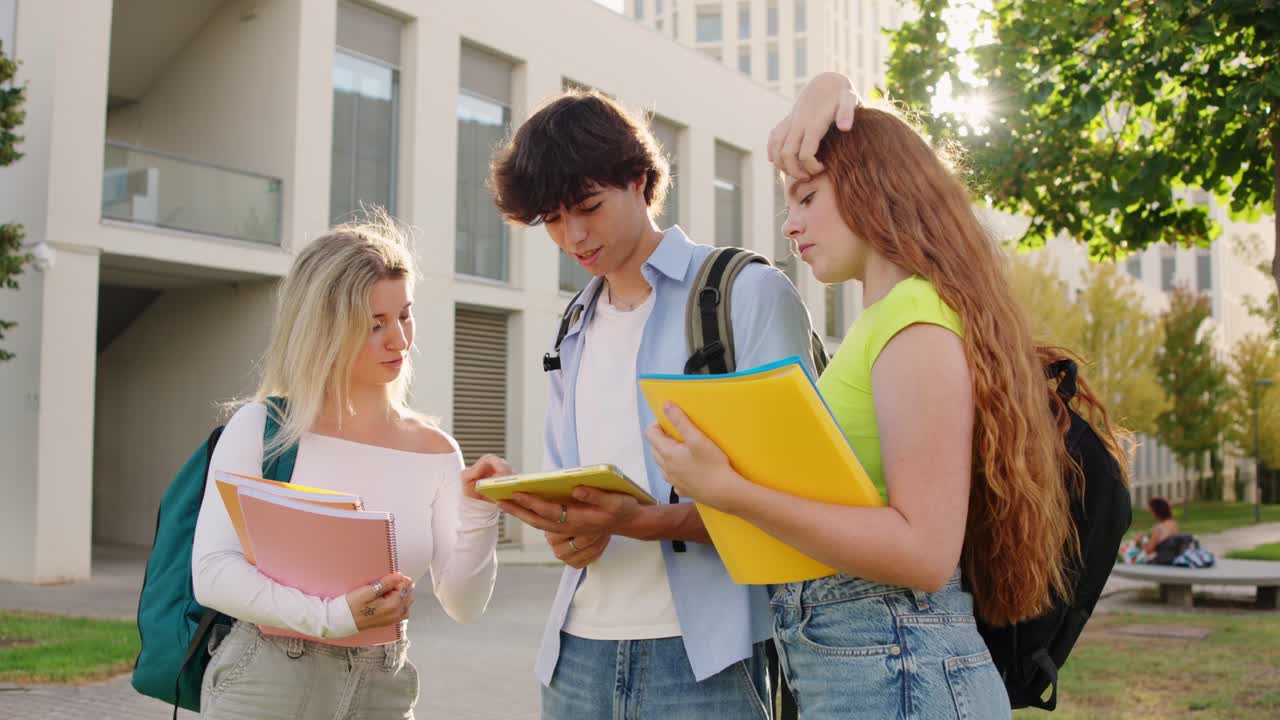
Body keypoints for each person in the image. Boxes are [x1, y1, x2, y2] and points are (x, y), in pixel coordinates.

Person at [647, 72, 1125, 719]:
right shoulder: (891, 319)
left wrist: (730, 489)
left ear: (873, 185)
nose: (790, 225)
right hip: (878, 671)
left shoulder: (915, 317)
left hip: (899, 674)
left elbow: (923, 552)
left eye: (807, 197)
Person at [486, 90, 820, 719]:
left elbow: (801, 502)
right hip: (575, 659)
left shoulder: (743, 296)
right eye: (553, 220)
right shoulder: (572, 327)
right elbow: (581, 496)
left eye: (588, 207)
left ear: (639, 180)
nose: (573, 237)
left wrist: (647, 522)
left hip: (710, 660)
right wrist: (567, 531)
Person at [191, 216, 507, 719]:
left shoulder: (436, 451)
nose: (399, 340)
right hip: (267, 679)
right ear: (322, 329)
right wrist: (331, 618)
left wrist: (480, 512)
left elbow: (464, 605)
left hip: (382, 684)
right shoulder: (261, 429)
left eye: (404, 316)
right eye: (373, 324)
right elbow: (211, 574)